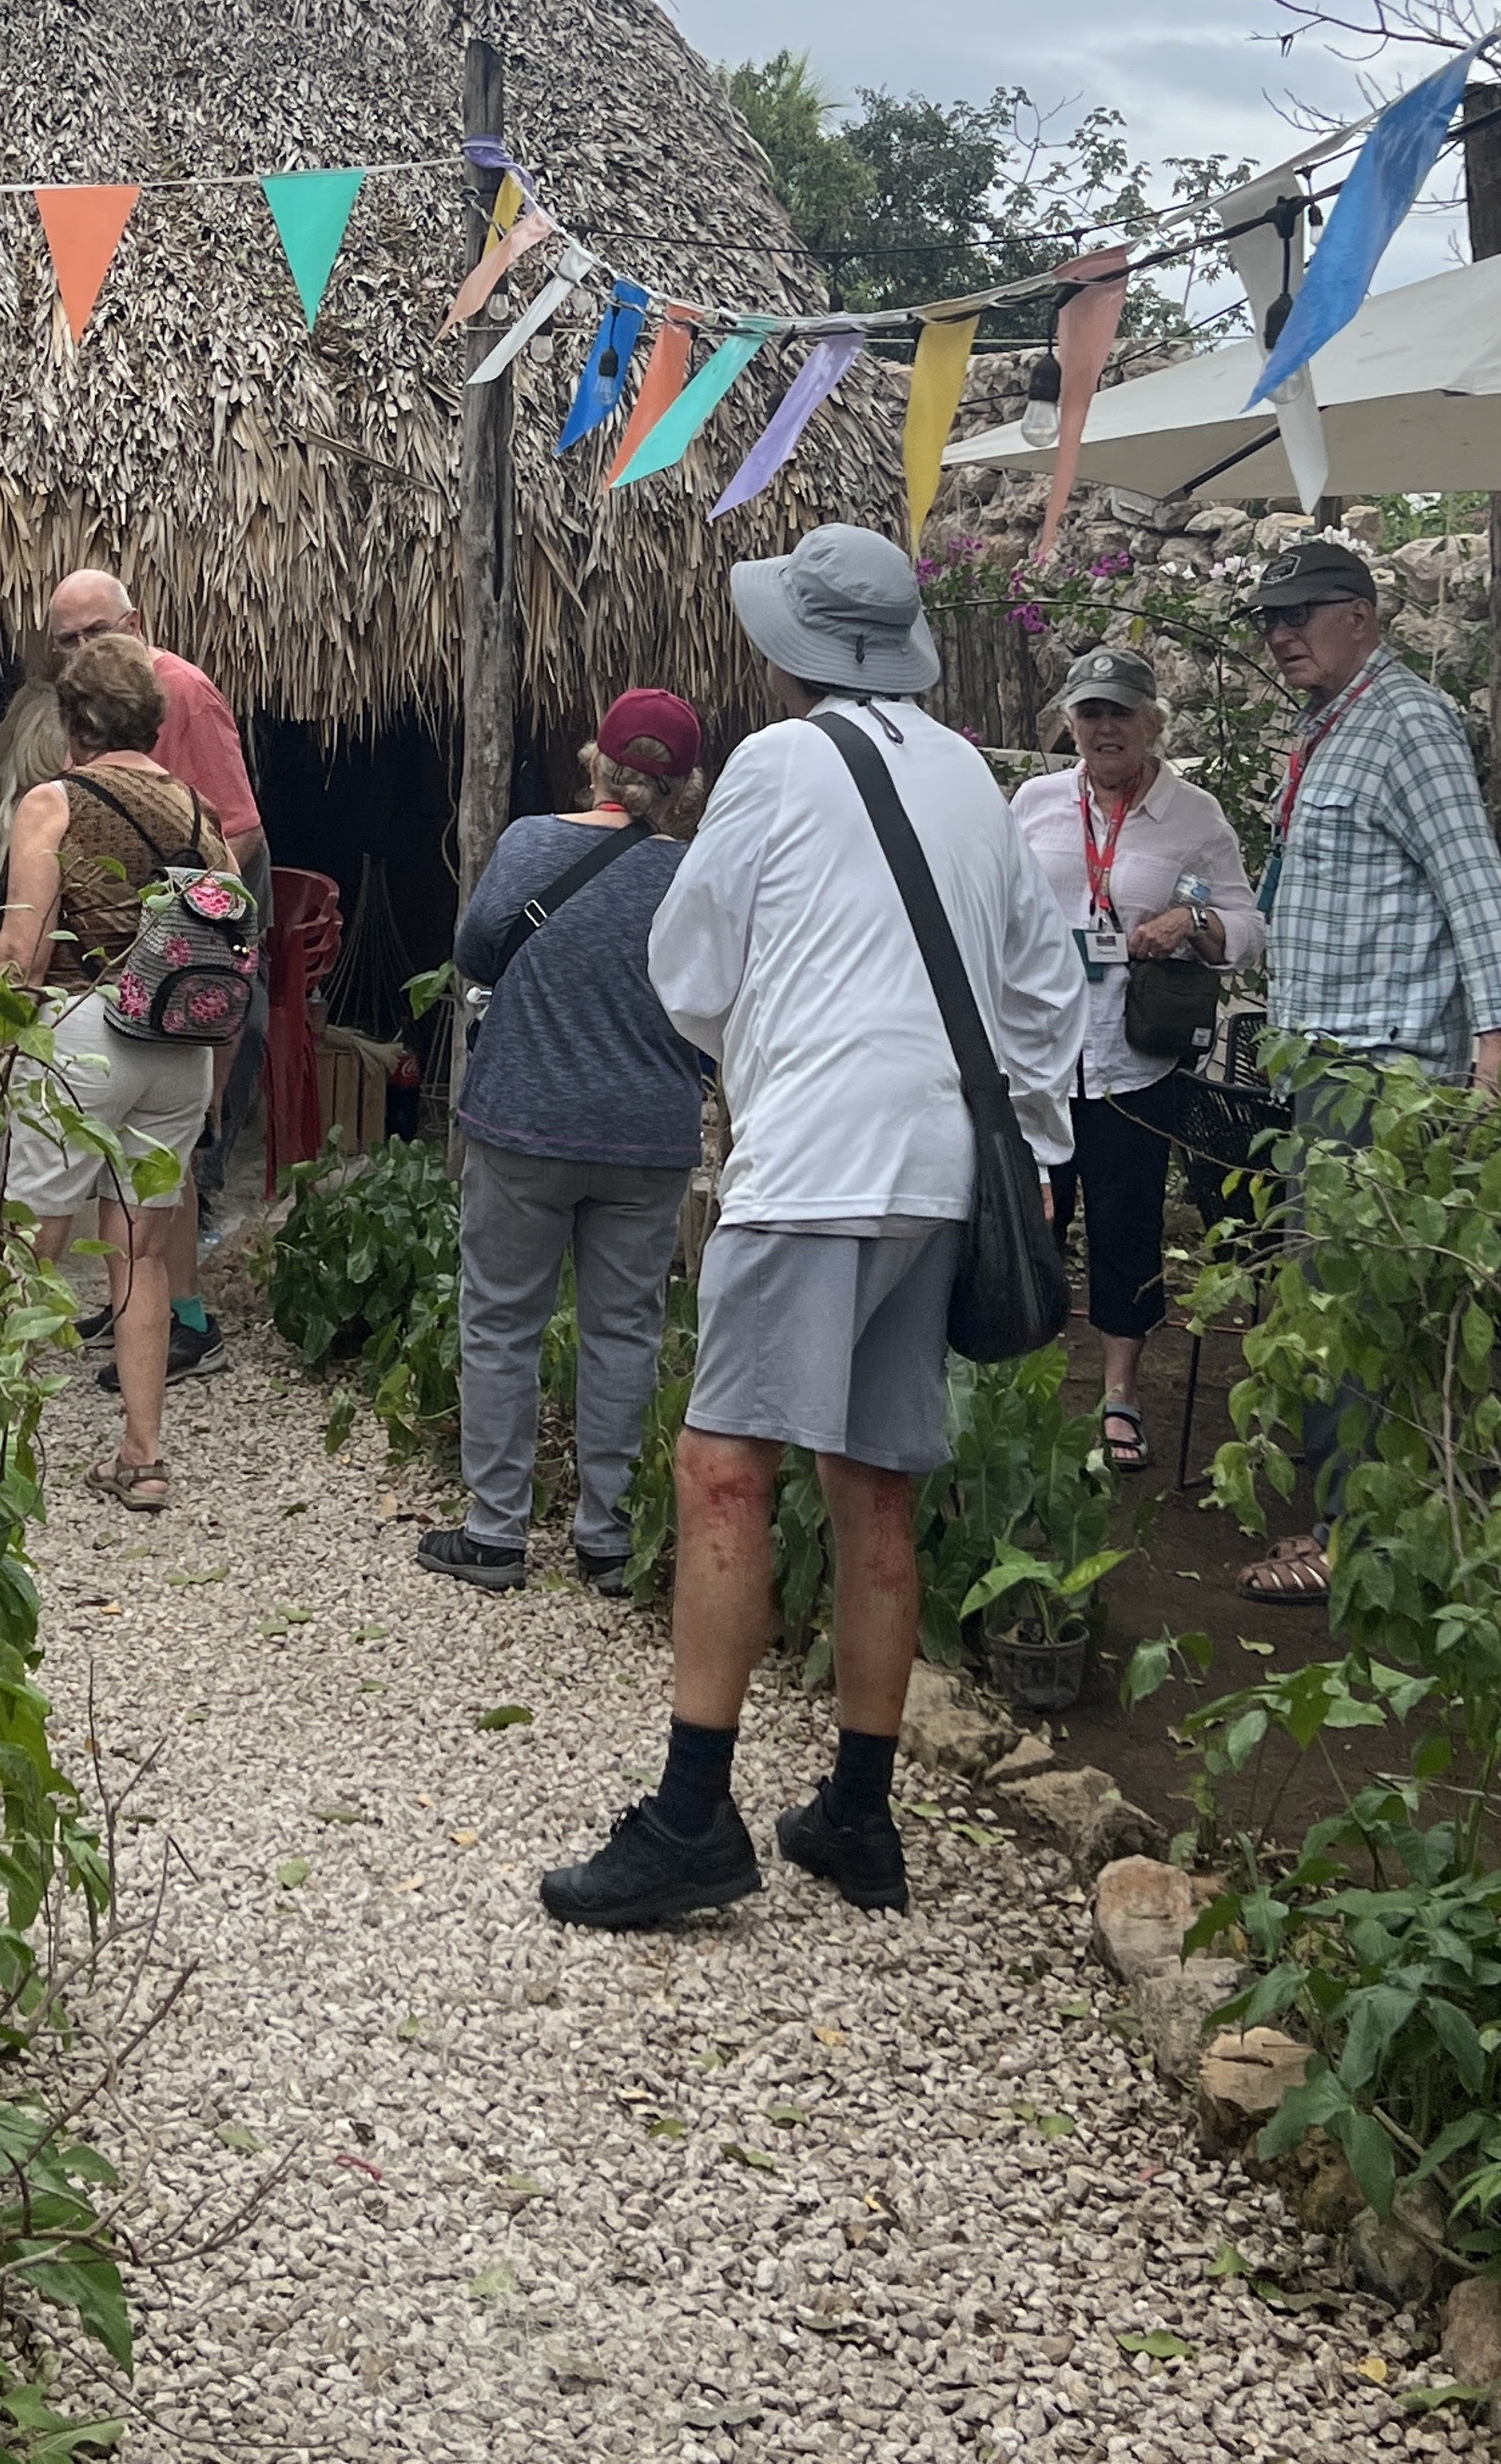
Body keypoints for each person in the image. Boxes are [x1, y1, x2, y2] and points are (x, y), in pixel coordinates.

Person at [537, 524, 1084, 1933]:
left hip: (818, 1157)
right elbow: (1039, 988)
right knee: (874, 1477)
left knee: (724, 1467)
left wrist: (764, 1060)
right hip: (940, 1161)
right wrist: (1031, 1138)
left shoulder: (778, 767)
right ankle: (857, 1810)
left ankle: (693, 1815)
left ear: (795, 649)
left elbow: (692, 968)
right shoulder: (970, 771)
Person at [1239, 532, 1501, 1600]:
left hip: (1382, 1073)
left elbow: (1477, 888)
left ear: (1363, 614)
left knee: (1343, 1308)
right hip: (1330, 1064)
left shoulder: (1405, 724)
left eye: (1300, 614)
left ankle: (1346, 1542)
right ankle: (1368, 1526)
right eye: (1270, 618)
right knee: (1334, 1305)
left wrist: (1493, 1055)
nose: (1280, 634)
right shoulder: (1334, 724)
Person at [425, 689, 713, 1599]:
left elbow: (476, 952)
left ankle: (496, 1534)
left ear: (596, 763)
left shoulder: (531, 845)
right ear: (686, 788)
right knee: (625, 1331)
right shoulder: (699, 879)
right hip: (648, 1138)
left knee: (502, 1320)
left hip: (523, 1123)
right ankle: (607, 1543)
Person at [1010, 645, 1265, 1473]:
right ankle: (1029, 1386)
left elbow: (1248, 926)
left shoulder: (1194, 817)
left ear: (1153, 724)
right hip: (1040, 1059)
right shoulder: (1036, 802)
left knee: (1127, 1234)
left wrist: (1191, 925)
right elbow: (998, 904)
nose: (1105, 727)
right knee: (1030, 1230)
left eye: (1121, 712)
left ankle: (1120, 1397)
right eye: (1090, 713)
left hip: (1132, 1064)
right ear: (1070, 724)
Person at [0, 631, 231, 1515]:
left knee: (33, 1241)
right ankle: (143, 1456)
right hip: (177, 1049)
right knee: (140, 1249)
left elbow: (21, 945)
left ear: (72, 718)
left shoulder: (53, 802)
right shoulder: (203, 814)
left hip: (83, 1030)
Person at [46, 567, 263, 1380]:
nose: (80, 651)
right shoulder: (93, 703)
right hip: (122, 965)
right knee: (125, 1147)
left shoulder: (182, 692)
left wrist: (163, 940)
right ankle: (142, 1301)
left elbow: (236, 834)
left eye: (95, 634)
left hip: (183, 957)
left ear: (136, 622)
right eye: (64, 641)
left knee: (166, 1149)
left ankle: (188, 1319)